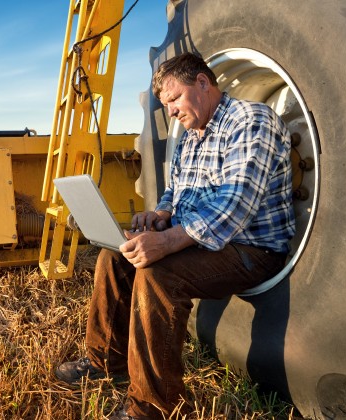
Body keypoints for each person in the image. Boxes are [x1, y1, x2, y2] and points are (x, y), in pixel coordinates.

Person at [54, 52, 296, 419]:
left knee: (156, 274)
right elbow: (177, 190)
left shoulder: (250, 121)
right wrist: (161, 214)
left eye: (174, 99)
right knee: (115, 257)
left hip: (251, 248)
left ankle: (153, 406)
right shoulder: (192, 137)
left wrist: (166, 242)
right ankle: (105, 361)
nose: (170, 111)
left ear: (202, 82)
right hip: (207, 243)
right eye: (165, 104)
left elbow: (235, 205)